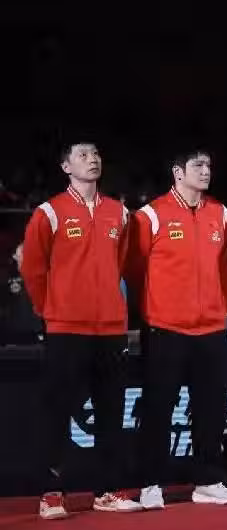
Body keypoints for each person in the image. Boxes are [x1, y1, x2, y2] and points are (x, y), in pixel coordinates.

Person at [21, 141, 142, 519]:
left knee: (111, 411)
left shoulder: (119, 213)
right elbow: (33, 269)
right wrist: (50, 311)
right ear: (65, 166)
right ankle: (51, 494)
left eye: (96, 155)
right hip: (66, 328)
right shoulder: (49, 213)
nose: (93, 160)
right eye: (83, 155)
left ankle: (107, 491)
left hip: (110, 328)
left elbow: (122, 263)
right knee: (58, 411)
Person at [130, 149, 227, 508]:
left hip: (211, 329)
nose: (206, 171)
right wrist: (155, 309)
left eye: (209, 165)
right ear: (178, 172)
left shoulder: (221, 214)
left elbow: (225, 269)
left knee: (212, 409)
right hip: (166, 329)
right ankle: (151, 483)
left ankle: (208, 480)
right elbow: (134, 270)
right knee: (158, 409)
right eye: (198, 165)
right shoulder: (150, 216)